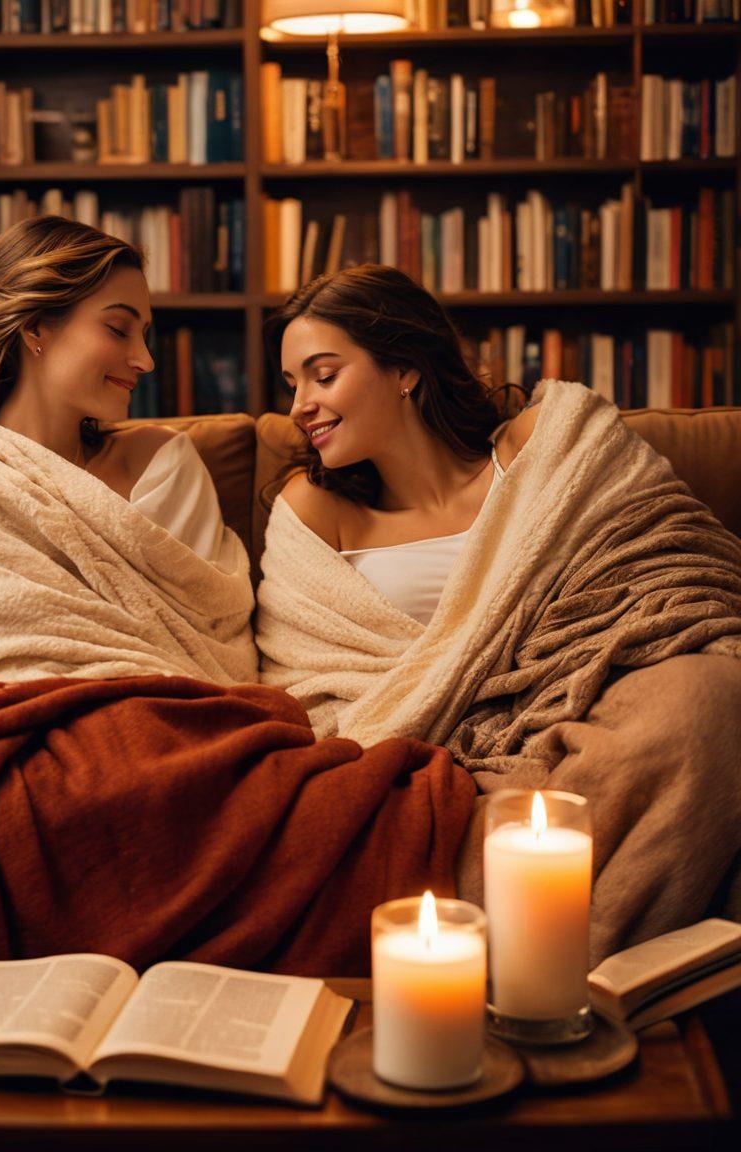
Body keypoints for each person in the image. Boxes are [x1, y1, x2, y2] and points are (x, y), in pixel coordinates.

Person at [255, 264, 741, 960]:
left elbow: (668, 564)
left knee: (706, 701)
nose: (302, 403)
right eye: (292, 384)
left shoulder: (542, 447)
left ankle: (562, 974)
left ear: (404, 369)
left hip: (596, 708)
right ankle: (553, 973)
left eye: (322, 374)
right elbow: (310, 689)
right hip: (434, 759)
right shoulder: (316, 510)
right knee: (443, 818)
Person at [0, 215, 257, 684]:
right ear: (35, 327)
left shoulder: (163, 465)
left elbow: (212, 642)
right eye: (119, 329)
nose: (145, 360)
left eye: (144, 335)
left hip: (163, 719)